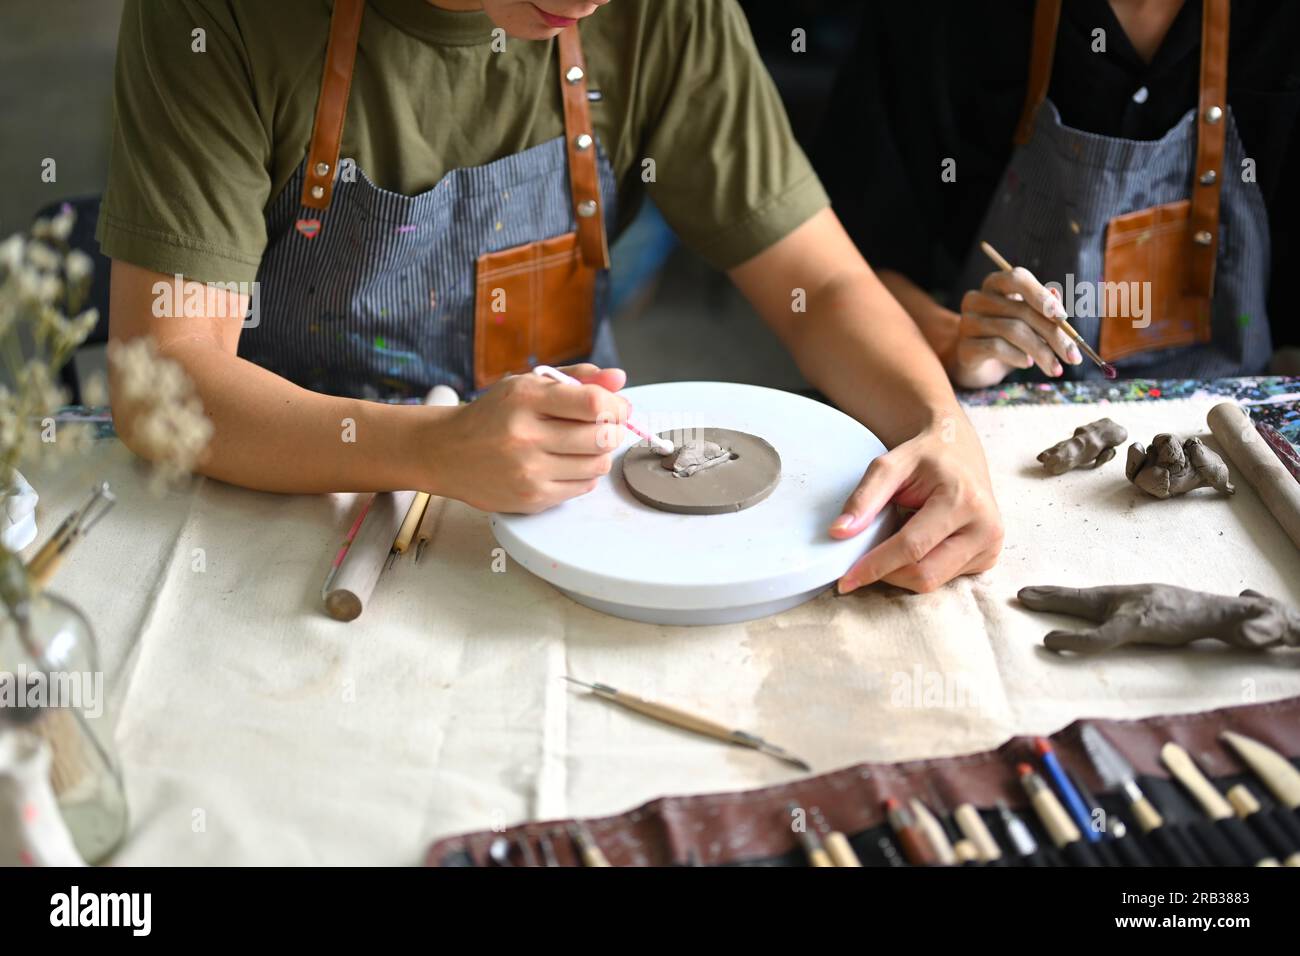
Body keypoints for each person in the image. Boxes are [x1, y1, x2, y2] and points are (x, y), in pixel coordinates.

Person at [101, 0, 1002, 594]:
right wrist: (433, 449)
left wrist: (939, 425)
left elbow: (823, 282)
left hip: (571, 526)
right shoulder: (221, 15)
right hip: (288, 517)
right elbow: (164, 379)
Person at [817, 0, 1299, 389]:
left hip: (1232, 422)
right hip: (995, 410)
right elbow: (836, 265)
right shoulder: (941, 19)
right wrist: (952, 341)